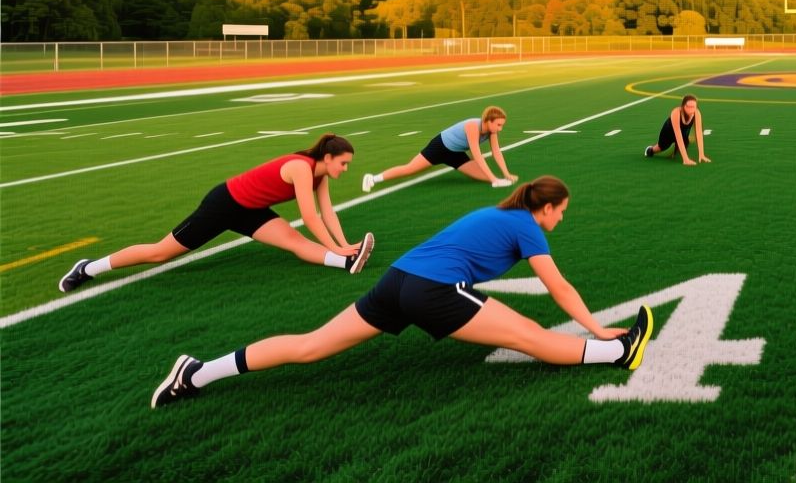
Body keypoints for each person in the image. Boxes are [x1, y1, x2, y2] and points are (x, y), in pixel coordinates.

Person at [150, 176, 654, 409]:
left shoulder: (494, 214)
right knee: (527, 335)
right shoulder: (526, 226)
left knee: (309, 345)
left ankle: (198, 373)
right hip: (432, 290)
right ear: (545, 208)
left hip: (395, 281)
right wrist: (594, 325)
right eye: (560, 211)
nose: (560, 219)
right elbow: (558, 284)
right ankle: (615, 351)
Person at [58, 135, 373, 293]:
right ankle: (88, 268)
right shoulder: (300, 168)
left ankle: (346, 261)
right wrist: (335, 244)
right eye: (343, 163)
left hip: (250, 209)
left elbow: (326, 211)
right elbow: (310, 216)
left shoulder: (320, 175)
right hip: (223, 204)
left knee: (294, 242)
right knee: (159, 253)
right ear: (328, 157)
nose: (345, 169)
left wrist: (345, 245)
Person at [364, 106, 516, 192]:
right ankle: (373, 178)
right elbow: (477, 154)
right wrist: (494, 179)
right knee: (409, 169)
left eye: (502, 125)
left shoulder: (492, 132)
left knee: (485, 177)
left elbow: (496, 152)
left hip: (455, 153)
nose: (500, 128)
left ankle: (496, 179)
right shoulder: (472, 126)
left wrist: (505, 174)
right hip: (440, 147)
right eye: (498, 124)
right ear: (487, 121)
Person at [644, 94, 709, 165]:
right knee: (661, 147)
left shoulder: (697, 113)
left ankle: (675, 151)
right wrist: (686, 159)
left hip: (683, 133)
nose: (691, 109)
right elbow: (678, 135)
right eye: (688, 106)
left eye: (693, 107)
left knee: (684, 143)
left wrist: (701, 154)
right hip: (668, 132)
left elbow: (699, 133)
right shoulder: (676, 112)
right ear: (683, 106)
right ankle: (650, 150)